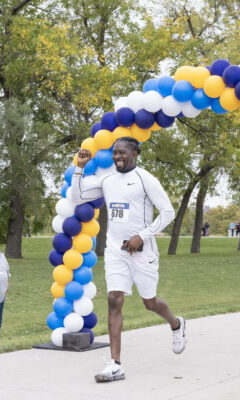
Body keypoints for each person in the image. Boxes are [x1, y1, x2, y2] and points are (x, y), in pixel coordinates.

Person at [71, 137, 185, 383]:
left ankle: (176, 324)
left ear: (135, 154)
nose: (117, 157)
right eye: (115, 153)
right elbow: (78, 197)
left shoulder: (146, 179)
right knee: (114, 299)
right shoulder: (108, 179)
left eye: (122, 153)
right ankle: (115, 364)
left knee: (150, 303)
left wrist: (142, 236)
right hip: (115, 249)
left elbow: (168, 212)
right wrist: (79, 168)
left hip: (143, 253)